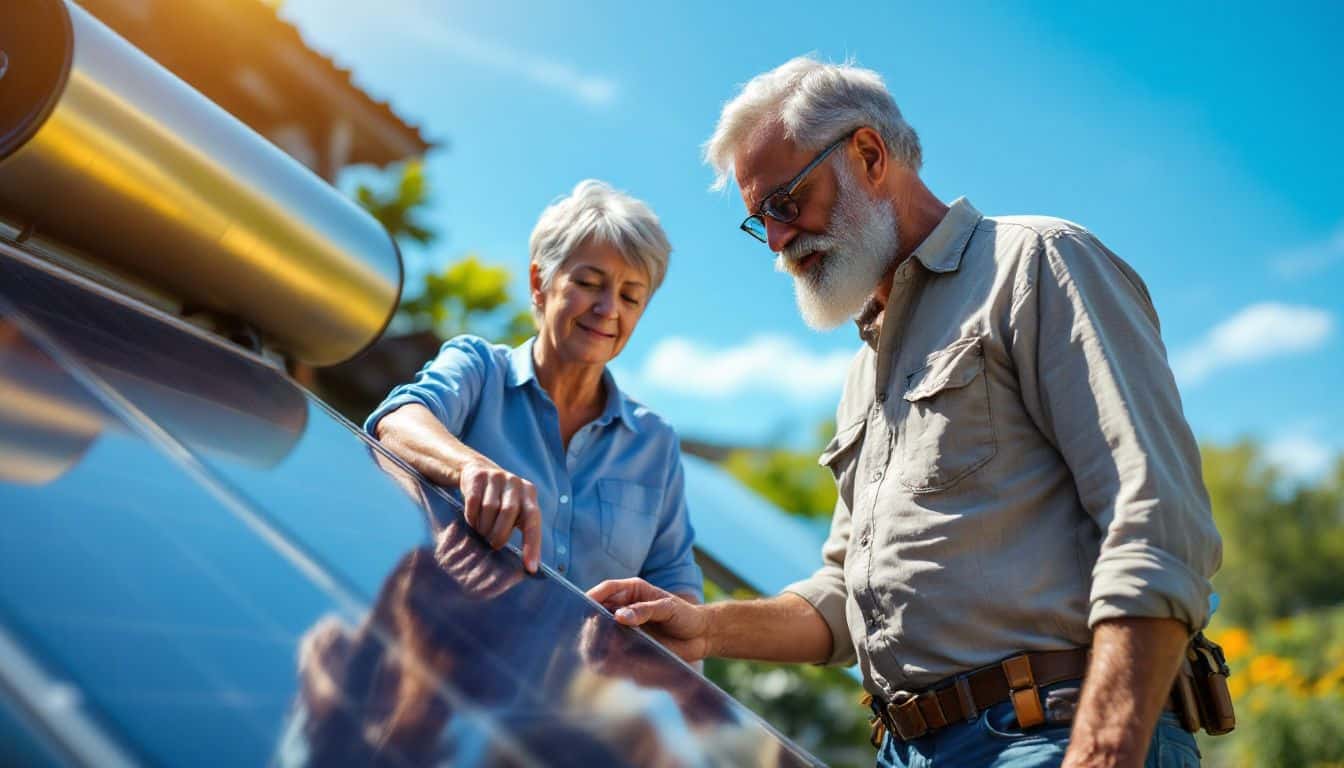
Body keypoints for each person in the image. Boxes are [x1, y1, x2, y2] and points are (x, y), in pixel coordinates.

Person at [589, 57, 1222, 768]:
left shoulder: (1037, 265)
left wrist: (1105, 748)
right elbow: (841, 607)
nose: (775, 240)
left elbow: (1157, 523)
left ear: (868, 154)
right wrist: (705, 628)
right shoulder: (866, 366)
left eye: (786, 202)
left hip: (1052, 738)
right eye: (759, 219)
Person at [366, 180, 702, 603]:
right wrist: (471, 468)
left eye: (630, 297)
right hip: (429, 649)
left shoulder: (655, 444)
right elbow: (397, 421)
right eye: (589, 282)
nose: (608, 309)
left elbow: (677, 589)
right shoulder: (480, 369)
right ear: (539, 281)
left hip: (563, 671)